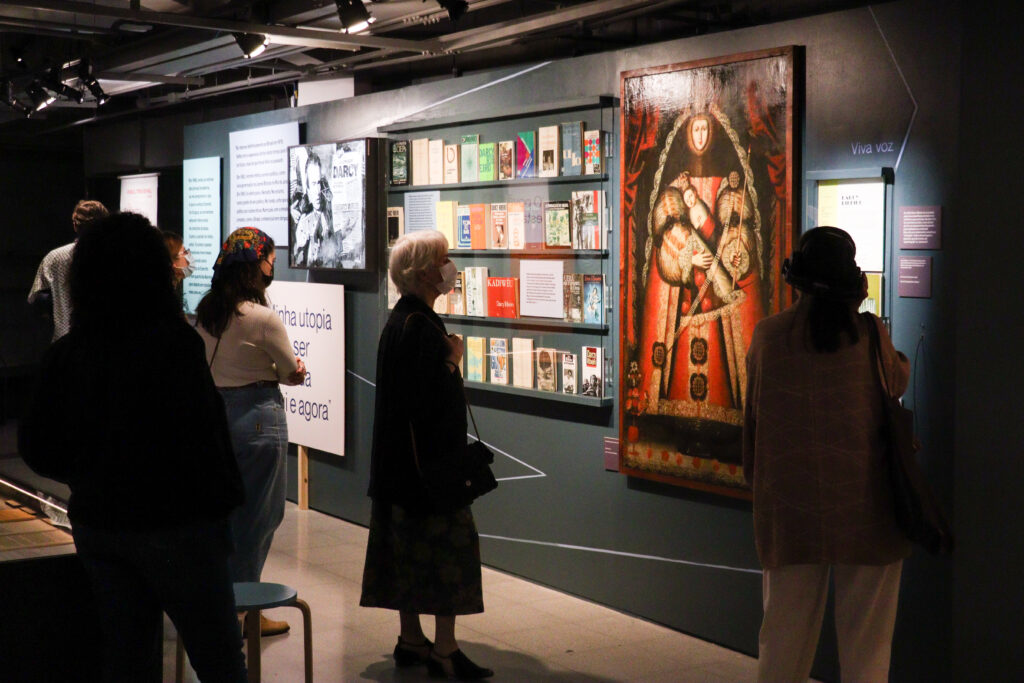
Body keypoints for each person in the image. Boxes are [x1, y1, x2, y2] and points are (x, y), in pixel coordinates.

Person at [18, 211, 247, 682]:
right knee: (219, 660)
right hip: (181, 525)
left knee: (127, 659)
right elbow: (207, 439)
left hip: (102, 523)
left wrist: (87, 475)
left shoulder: (68, 354)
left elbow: (37, 446)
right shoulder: (175, 346)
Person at [742, 226, 911, 683]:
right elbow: (897, 379)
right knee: (867, 647)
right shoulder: (870, 335)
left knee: (783, 638)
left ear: (797, 279)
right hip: (866, 507)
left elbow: (753, 418)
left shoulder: (767, 336)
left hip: (790, 509)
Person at [360, 230, 493, 681]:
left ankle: (412, 639)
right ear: (421, 273)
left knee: (406, 556)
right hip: (430, 474)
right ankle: (445, 650)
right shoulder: (421, 327)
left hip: (399, 470)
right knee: (446, 556)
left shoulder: (401, 320)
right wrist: (452, 360)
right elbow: (424, 399)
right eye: (442, 259)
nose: (449, 267)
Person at [195, 227, 307, 637]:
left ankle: (223, 604)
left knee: (223, 515)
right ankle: (244, 613)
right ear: (257, 266)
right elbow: (290, 371)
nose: (271, 268)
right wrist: (295, 371)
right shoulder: (262, 318)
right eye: (270, 261)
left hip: (216, 415)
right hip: (258, 417)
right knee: (258, 518)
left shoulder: (207, 311)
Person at [27, 199, 109, 341]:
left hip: (65, 340)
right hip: (108, 342)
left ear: (75, 225)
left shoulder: (54, 258)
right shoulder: (118, 257)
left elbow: (38, 301)